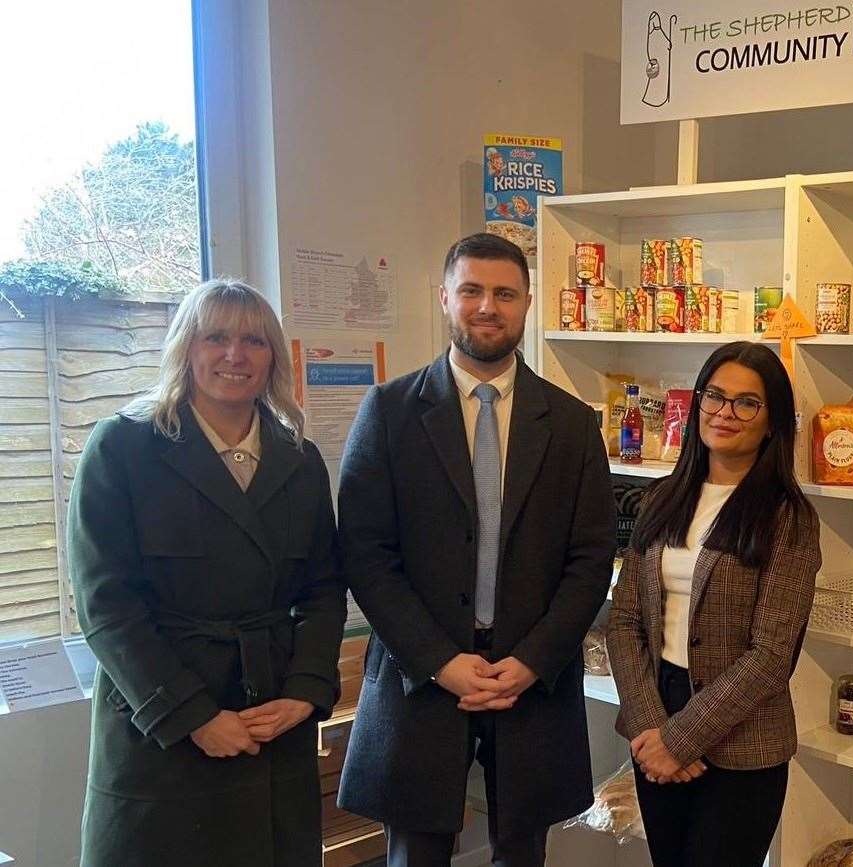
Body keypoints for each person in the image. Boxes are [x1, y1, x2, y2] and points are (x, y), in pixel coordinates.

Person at [337, 232, 616, 867]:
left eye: (505, 293)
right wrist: (440, 661)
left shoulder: (572, 425)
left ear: (525, 305)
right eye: (471, 290)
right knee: (416, 852)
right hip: (421, 675)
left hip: (531, 680)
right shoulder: (387, 413)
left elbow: (591, 558)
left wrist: (534, 659)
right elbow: (366, 555)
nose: (487, 306)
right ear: (445, 298)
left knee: (522, 851)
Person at [69, 280, 347, 867]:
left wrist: (305, 690)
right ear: (185, 349)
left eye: (253, 340)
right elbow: (106, 606)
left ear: (273, 356)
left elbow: (323, 590)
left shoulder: (297, 458)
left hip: (270, 715)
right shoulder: (123, 447)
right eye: (215, 337)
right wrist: (192, 717)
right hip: (162, 727)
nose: (235, 355)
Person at [607, 341, 822, 867]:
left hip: (744, 738)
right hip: (657, 709)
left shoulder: (787, 517)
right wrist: (648, 727)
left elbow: (771, 656)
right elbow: (625, 620)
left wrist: (679, 740)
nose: (725, 413)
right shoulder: (661, 497)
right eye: (715, 396)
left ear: (772, 422)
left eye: (747, 402)